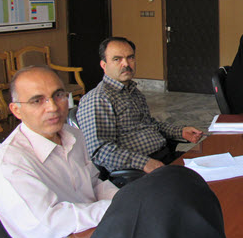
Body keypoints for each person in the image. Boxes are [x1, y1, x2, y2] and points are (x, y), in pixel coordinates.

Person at [0, 66, 119, 238]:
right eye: (37, 100)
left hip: (97, 227)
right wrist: (112, 208)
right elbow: (47, 226)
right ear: (16, 110)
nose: (53, 107)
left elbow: (94, 183)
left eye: (58, 95)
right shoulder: (9, 165)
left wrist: (122, 200)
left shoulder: (73, 134)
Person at [77, 37, 203, 174]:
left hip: (164, 157)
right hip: (140, 170)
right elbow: (100, 151)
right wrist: (144, 163)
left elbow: (150, 124)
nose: (126, 64)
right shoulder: (98, 99)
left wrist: (180, 131)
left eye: (130, 57)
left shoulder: (133, 91)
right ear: (104, 65)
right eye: (117, 59)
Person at [85, 166, 231, 238]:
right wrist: (122, 203)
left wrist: (124, 199)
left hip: (114, 215)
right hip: (81, 227)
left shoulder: (76, 136)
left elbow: (95, 182)